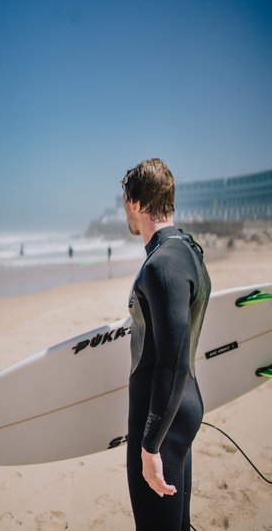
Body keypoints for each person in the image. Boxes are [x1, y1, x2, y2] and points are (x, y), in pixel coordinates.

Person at [121, 158, 211, 531]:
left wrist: (150, 446)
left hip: (159, 421)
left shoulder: (163, 265)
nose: (125, 210)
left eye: (125, 201)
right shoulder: (189, 251)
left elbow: (170, 361)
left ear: (138, 203)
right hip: (181, 409)